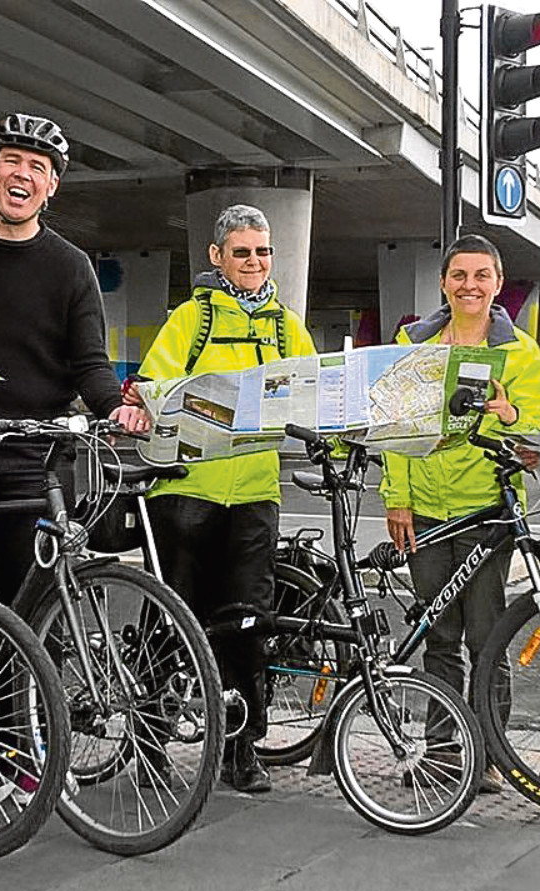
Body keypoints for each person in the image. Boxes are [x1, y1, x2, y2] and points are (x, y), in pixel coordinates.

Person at [0, 113, 148, 610]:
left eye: (37, 166)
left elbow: (90, 362)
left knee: (38, 611)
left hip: (38, 462)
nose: (23, 174)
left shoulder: (70, 265)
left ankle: (32, 692)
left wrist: (115, 407)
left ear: (52, 185)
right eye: (12, 161)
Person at [128, 204, 317, 793]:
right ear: (217, 257)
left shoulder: (288, 325)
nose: (255, 262)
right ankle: (150, 738)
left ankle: (241, 748)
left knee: (247, 624)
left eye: (262, 252)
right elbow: (155, 387)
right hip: (188, 492)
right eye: (242, 252)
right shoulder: (190, 320)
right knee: (171, 619)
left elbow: (313, 392)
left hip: (256, 493)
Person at [379, 233, 540, 793]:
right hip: (426, 510)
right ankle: (442, 751)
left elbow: (537, 434)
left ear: (498, 284)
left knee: (487, 637)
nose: (470, 286)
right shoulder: (414, 342)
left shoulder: (519, 351)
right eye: (460, 276)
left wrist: (509, 414)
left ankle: (491, 751)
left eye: (482, 276)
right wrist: (397, 496)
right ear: (443, 283)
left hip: (486, 511)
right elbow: (395, 427)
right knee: (439, 637)